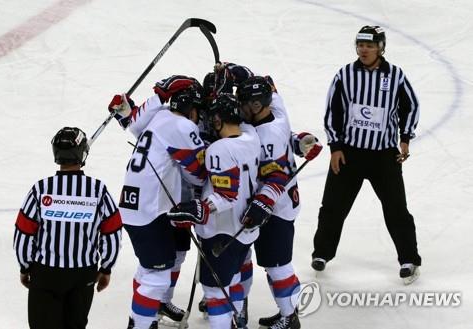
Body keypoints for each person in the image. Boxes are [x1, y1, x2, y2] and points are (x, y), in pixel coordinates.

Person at [311, 25, 422, 284]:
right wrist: (336, 147)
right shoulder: (345, 74)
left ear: (381, 48)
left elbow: (411, 106)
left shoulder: (395, 75)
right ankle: (322, 254)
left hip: (384, 156)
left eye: (370, 45)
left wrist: (405, 138)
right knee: (333, 207)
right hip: (349, 154)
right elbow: (332, 112)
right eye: (360, 45)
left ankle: (409, 259)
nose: (364, 49)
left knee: (396, 209)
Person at [108, 75, 207, 329]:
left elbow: (133, 122)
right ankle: (142, 322)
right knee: (156, 277)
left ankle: (149, 312)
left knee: (159, 264)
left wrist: (149, 101)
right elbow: (198, 175)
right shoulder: (182, 126)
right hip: (151, 210)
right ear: (191, 108)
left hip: (142, 205)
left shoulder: (159, 115)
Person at [167, 93, 261, 329]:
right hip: (246, 230)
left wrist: (200, 208)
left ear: (218, 119)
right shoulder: (252, 137)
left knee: (215, 291)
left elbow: (227, 195)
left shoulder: (218, 150)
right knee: (235, 279)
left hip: (222, 232)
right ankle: (239, 323)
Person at [13, 127, 123, 329]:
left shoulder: (41, 189)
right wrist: (106, 268)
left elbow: (23, 233)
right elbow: (112, 232)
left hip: (46, 273)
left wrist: (25, 266)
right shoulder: (98, 190)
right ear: (82, 154)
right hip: (83, 274)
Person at [236, 75, 322, 329]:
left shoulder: (266, 136)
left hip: (276, 207)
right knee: (254, 260)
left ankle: (289, 317)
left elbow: (274, 178)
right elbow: (266, 83)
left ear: (259, 105)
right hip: (276, 202)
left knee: (277, 265)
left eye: (247, 105)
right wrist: (300, 142)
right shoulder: (276, 106)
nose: (242, 109)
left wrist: (261, 204)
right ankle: (277, 310)